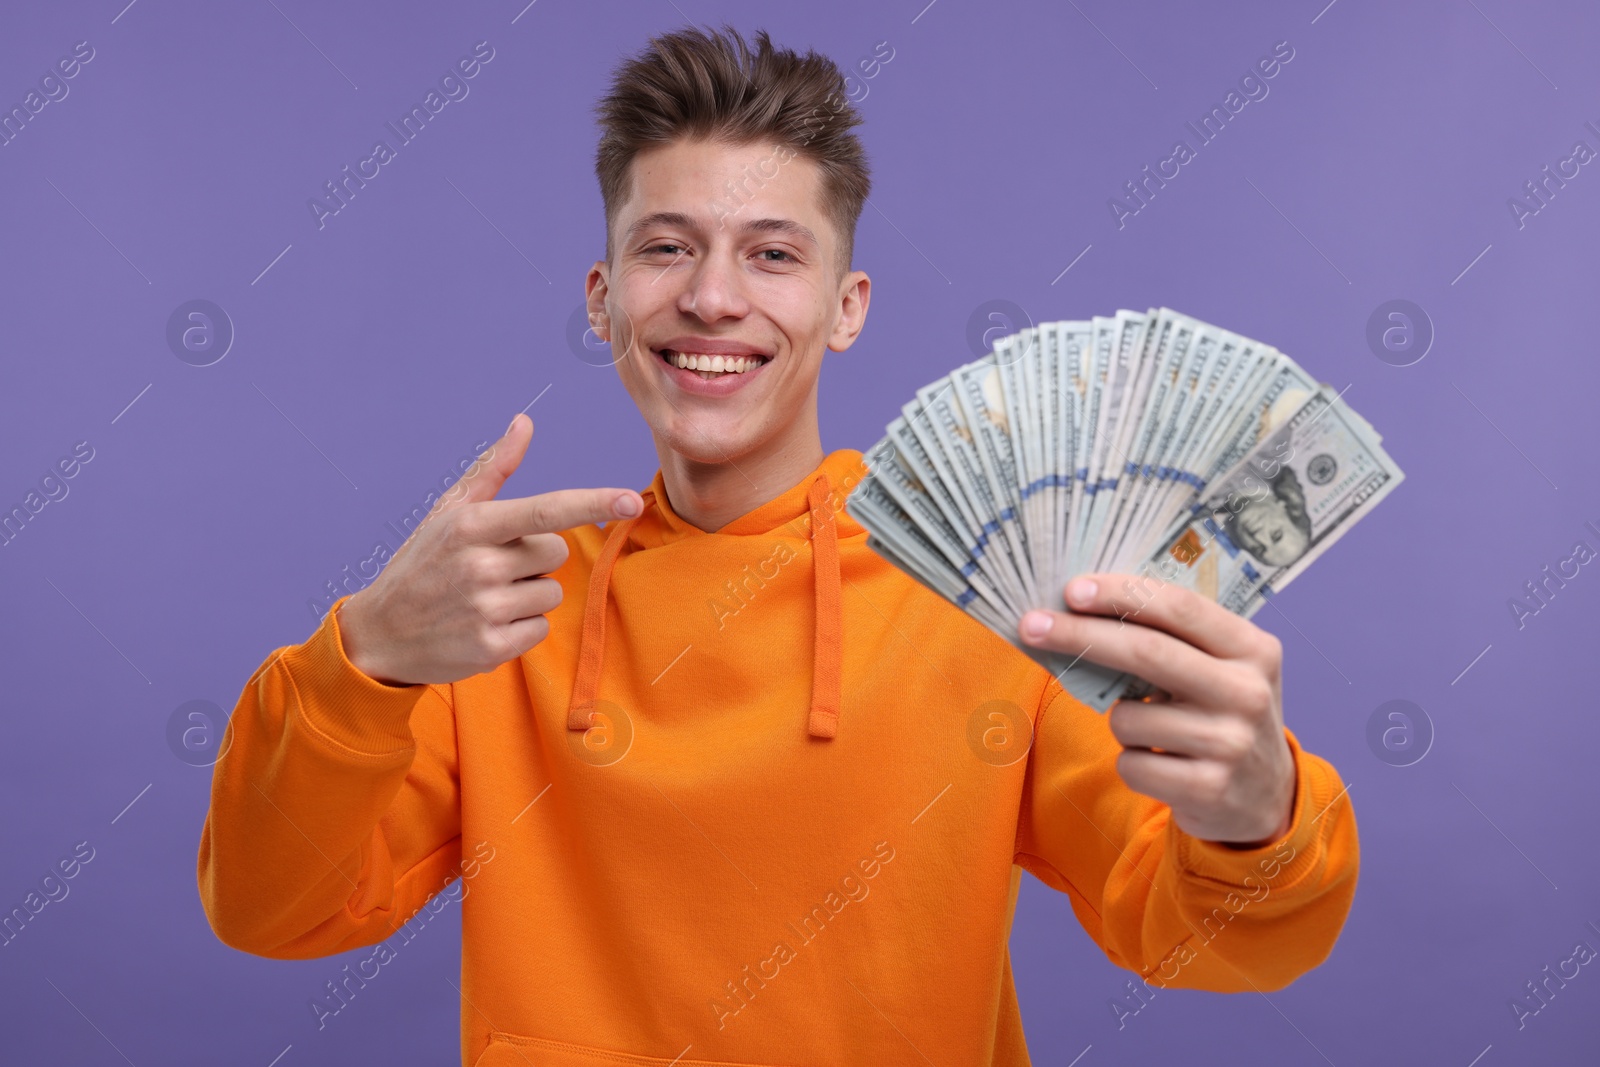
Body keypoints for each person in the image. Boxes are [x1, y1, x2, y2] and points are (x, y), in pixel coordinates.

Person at [197, 25, 1357, 1067]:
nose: (711, 297)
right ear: (601, 299)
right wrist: (363, 658)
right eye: (666, 247)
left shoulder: (989, 596)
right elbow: (270, 908)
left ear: (846, 305)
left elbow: (1210, 945)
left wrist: (1259, 813)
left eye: (771, 253)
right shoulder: (494, 613)